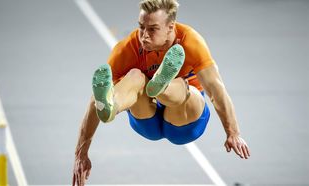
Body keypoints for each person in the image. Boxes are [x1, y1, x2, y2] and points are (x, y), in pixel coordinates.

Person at [72, 0, 250, 185]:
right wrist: (81, 153)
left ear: (170, 27)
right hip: (146, 118)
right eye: (141, 27)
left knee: (183, 87)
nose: (144, 36)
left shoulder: (191, 41)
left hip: (184, 122)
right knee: (134, 77)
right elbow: (95, 101)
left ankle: (162, 86)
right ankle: (112, 108)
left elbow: (216, 90)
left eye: (152, 29)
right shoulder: (128, 48)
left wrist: (233, 132)